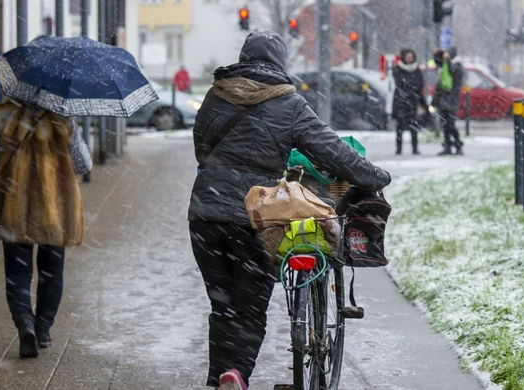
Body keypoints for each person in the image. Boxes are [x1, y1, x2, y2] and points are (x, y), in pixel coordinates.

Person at [188, 31, 391, 390]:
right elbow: (334, 153)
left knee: (222, 303)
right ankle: (235, 374)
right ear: (280, 63)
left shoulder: (215, 95)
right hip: (257, 216)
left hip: (205, 213)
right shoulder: (289, 104)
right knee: (251, 306)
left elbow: (202, 149)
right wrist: (374, 176)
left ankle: (220, 376)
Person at [0, 99, 92, 358]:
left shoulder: (6, 114)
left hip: (13, 206)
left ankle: (24, 323)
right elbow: (84, 164)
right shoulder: (63, 116)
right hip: (56, 209)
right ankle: (43, 329)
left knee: (17, 271)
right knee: (52, 270)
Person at [432, 47, 465, 155]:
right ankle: (448, 146)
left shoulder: (457, 65)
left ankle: (458, 145)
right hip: (443, 99)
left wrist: (448, 60)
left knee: (451, 124)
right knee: (445, 124)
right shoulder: (444, 65)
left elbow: (454, 73)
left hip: (451, 100)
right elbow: (437, 62)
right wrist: (438, 53)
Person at [392, 48, 425, 155]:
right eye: (407, 57)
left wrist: (414, 93)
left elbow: (419, 84)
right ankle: (398, 149)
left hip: (413, 102)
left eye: (411, 57)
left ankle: (415, 148)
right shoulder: (398, 69)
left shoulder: (416, 69)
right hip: (401, 102)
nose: (409, 59)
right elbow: (399, 84)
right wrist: (407, 92)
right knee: (400, 127)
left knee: (413, 126)